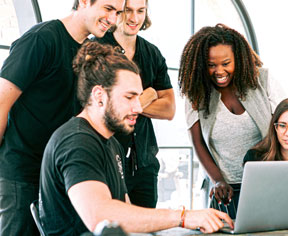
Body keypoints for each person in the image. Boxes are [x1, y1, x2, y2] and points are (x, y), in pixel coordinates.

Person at [39, 41, 233, 235]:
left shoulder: (112, 144)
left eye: (138, 97)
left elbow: (127, 211)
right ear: (99, 95)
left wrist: (187, 220)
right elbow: (101, 217)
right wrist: (182, 217)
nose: (139, 108)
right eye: (129, 97)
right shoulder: (77, 142)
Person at [0, 0, 124, 234]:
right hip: (22, 173)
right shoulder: (41, 39)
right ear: (84, 2)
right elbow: (1, 103)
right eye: (108, 9)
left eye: (118, 12)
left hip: (60, 176)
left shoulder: (90, 51)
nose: (114, 19)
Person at [178, 23, 284, 216]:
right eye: (211, 65)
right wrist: (218, 180)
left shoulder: (263, 80)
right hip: (226, 190)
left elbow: (285, 129)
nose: (219, 71)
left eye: (226, 63)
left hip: (267, 182)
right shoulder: (196, 92)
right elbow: (198, 142)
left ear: (239, 59)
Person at [95, 0, 175, 208]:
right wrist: (149, 95)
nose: (134, 18)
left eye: (141, 11)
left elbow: (169, 109)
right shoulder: (96, 50)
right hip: (106, 161)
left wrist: (126, 103)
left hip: (145, 164)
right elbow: (98, 105)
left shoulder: (152, 53)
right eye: (127, 11)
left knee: (146, 227)